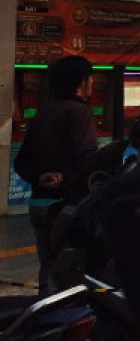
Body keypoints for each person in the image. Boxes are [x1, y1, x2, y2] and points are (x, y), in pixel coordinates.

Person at [13, 55, 98, 293]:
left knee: (47, 268)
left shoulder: (43, 113)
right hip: (65, 207)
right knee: (68, 274)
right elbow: (87, 160)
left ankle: (42, 316)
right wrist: (68, 179)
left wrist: (40, 177)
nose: (92, 83)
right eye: (91, 78)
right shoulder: (79, 112)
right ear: (82, 82)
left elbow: (21, 162)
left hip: (38, 205)